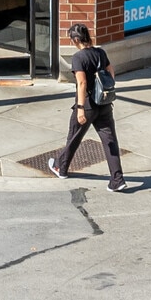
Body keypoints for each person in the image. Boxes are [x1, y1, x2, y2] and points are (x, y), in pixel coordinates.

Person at [47, 23, 126, 191]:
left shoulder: (79, 57)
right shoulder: (100, 52)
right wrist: (106, 89)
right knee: (110, 140)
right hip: (104, 103)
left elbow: (82, 82)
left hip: (88, 104)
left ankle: (61, 167)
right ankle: (117, 179)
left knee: (74, 136)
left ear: (76, 39)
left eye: (71, 39)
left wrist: (80, 108)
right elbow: (111, 72)